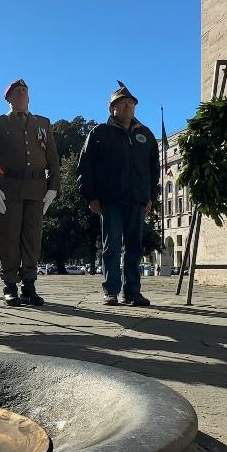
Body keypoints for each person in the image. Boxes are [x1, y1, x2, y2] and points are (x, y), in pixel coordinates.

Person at [77, 81, 160, 307]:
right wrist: (90, 196)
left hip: (137, 200)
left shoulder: (145, 134)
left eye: (131, 104)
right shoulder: (99, 133)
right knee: (111, 246)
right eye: (122, 104)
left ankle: (132, 291)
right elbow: (85, 166)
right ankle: (111, 290)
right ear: (111, 109)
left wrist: (151, 195)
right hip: (110, 200)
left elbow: (154, 168)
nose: (127, 108)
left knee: (134, 248)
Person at [0, 79, 61, 306]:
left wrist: (53, 187)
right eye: (17, 92)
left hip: (37, 188)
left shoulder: (42, 123)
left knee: (32, 238)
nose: (22, 95)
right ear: (8, 99)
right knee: (8, 237)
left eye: (25, 91)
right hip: (9, 188)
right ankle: (10, 285)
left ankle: (29, 284)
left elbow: (52, 158)